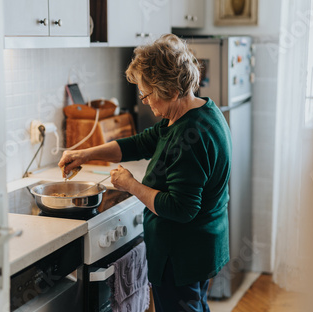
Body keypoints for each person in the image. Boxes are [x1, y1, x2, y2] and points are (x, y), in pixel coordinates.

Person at [59, 34, 231, 312]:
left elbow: (180, 208)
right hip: (200, 246)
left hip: (182, 254)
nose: (146, 101)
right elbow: (141, 143)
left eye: (147, 94)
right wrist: (86, 153)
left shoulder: (191, 136)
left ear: (172, 90)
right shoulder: (196, 112)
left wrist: (130, 184)